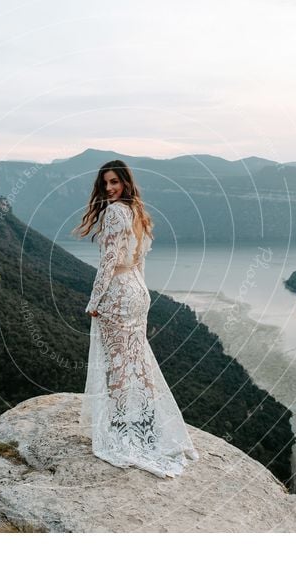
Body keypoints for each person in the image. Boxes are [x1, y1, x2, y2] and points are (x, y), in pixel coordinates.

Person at [72, 160, 200, 478]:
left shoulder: (115, 212)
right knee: (137, 362)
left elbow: (109, 262)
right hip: (137, 292)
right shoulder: (137, 212)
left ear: (126, 181)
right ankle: (146, 428)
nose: (110, 188)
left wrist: (93, 300)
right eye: (105, 184)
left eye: (114, 182)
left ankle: (121, 433)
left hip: (117, 293)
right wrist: (143, 294)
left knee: (118, 364)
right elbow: (139, 261)